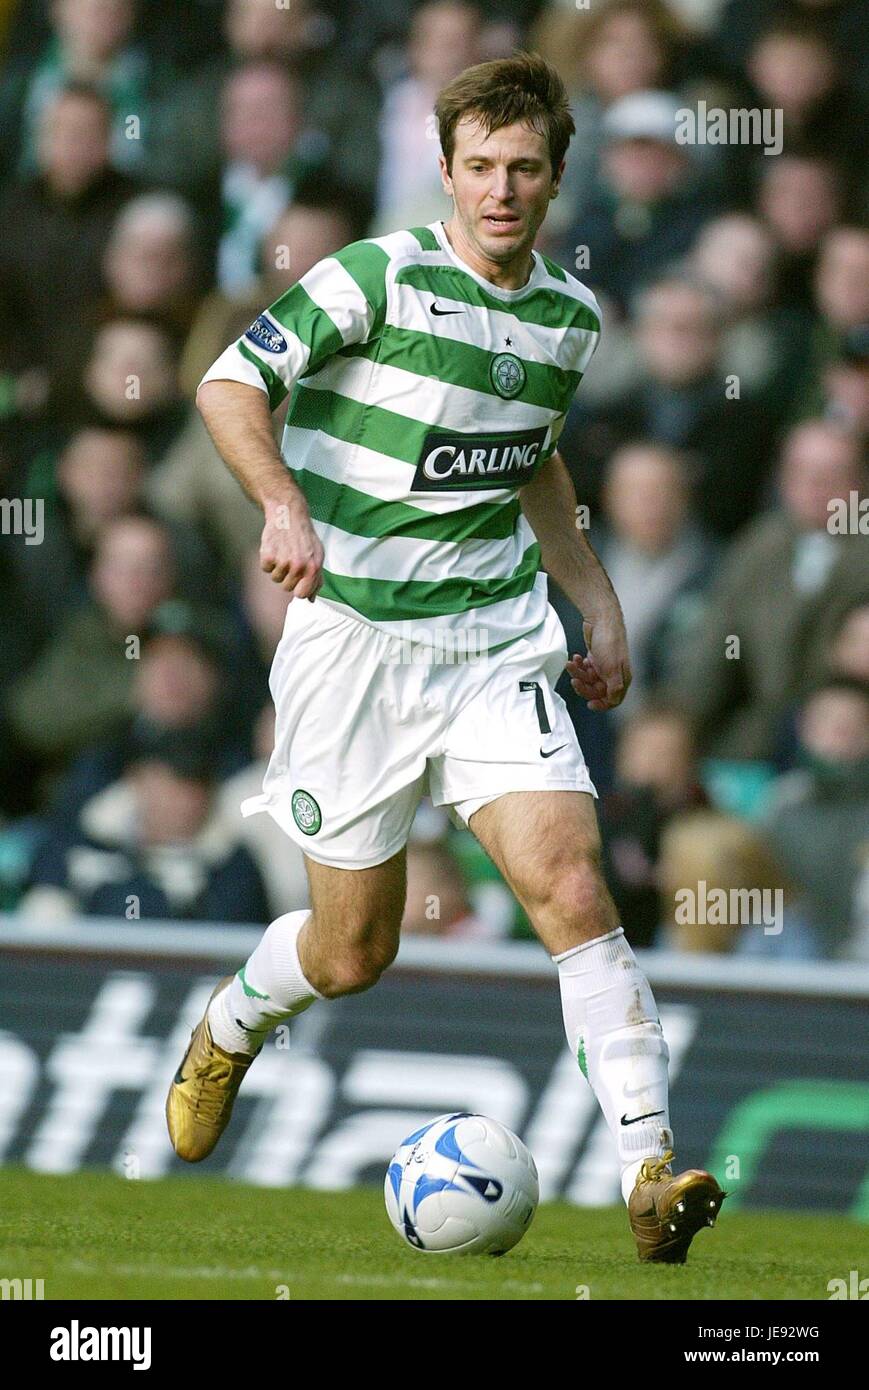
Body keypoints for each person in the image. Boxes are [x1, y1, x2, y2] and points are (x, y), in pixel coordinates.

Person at [165, 52, 725, 1264]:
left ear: (556, 177)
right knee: (353, 950)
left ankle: (646, 1170)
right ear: (445, 169)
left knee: (571, 887)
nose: (501, 189)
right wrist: (279, 503)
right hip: (354, 645)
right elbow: (225, 384)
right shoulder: (375, 275)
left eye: (525, 168)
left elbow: (530, 458)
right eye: (479, 167)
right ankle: (231, 1020)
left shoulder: (569, 319)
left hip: (487, 641)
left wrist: (596, 602)